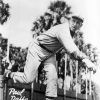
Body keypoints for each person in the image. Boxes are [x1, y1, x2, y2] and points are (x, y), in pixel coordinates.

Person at [4, 15, 96, 100]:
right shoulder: (63, 29)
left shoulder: (71, 33)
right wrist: (85, 59)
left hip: (50, 54)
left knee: (52, 79)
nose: (75, 24)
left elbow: (70, 52)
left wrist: (84, 60)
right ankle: (9, 74)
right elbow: (71, 49)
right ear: (69, 20)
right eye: (73, 21)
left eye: (78, 23)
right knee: (28, 79)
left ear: (81, 26)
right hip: (37, 49)